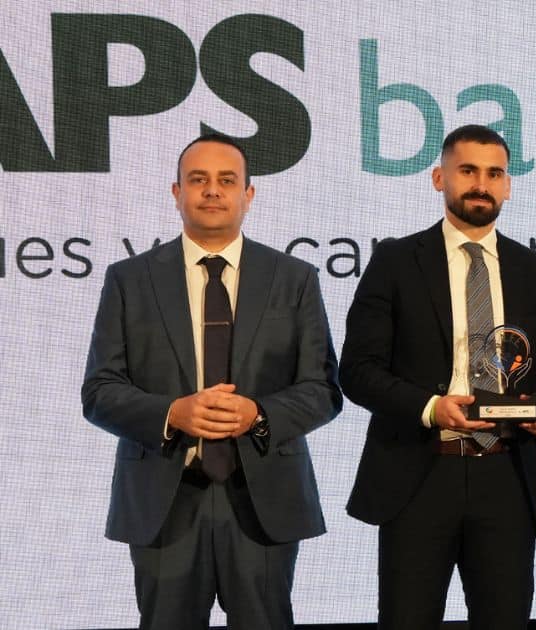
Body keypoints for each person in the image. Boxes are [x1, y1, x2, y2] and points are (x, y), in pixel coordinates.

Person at [81, 133, 343, 628]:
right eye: (198, 179)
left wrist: (259, 415)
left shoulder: (294, 278)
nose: (212, 190)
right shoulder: (129, 280)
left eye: (227, 180)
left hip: (264, 498)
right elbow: (99, 392)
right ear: (176, 191)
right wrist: (171, 414)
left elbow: (323, 390)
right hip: (164, 498)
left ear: (248, 194)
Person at [340, 124, 536, 629]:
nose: (481, 185)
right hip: (420, 473)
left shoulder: (535, 270)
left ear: (508, 185)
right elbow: (357, 371)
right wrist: (431, 407)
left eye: (494, 173)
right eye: (467, 171)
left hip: (506, 476)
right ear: (439, 178)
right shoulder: (395, 262)